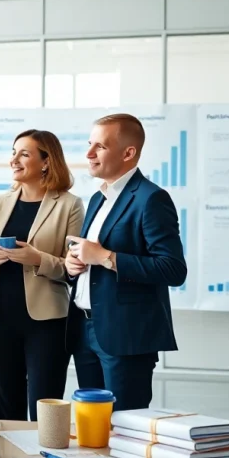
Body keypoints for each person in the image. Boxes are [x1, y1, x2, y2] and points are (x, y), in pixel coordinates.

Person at [65, 113, 187, 411]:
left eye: (100, 147)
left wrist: (107, 258)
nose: (89, 154)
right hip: (85, 330)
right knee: (93, 425)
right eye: (89, 144)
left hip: (126, 337)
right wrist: (73, 266)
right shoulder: (97, 199)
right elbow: (89, 257)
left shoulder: (151, 199)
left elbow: (173, 269)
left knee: (124, 427)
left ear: (128, 153)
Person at [0, 129, 85, 421]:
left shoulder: (69, 204)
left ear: (46, 162)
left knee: (45, 409)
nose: (14, 159)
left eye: (24, 154)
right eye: (13, 152)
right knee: (6, 408)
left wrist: (37, 258)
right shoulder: (0, 202)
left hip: (47, 323)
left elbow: (73, 268)